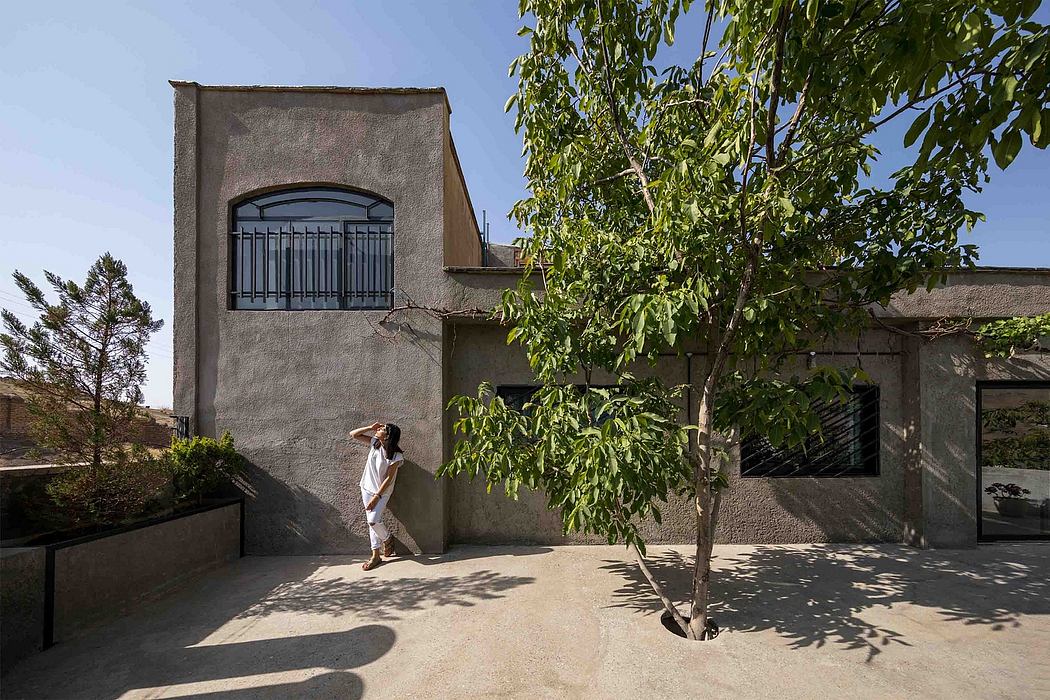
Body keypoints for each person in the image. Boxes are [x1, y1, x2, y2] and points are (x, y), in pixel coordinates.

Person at [351, 421, 404, 571]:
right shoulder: (375, 443)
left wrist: (377, 497)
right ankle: (376, 555)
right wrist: (369, 427)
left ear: (388, 436)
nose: (379, 429)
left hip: (382, 492)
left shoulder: (396, 455)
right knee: (371, 521)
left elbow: (388, 479)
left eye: (383, 429)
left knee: (373, 521)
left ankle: (387, 538)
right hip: (366, 487)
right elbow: (353, 434)